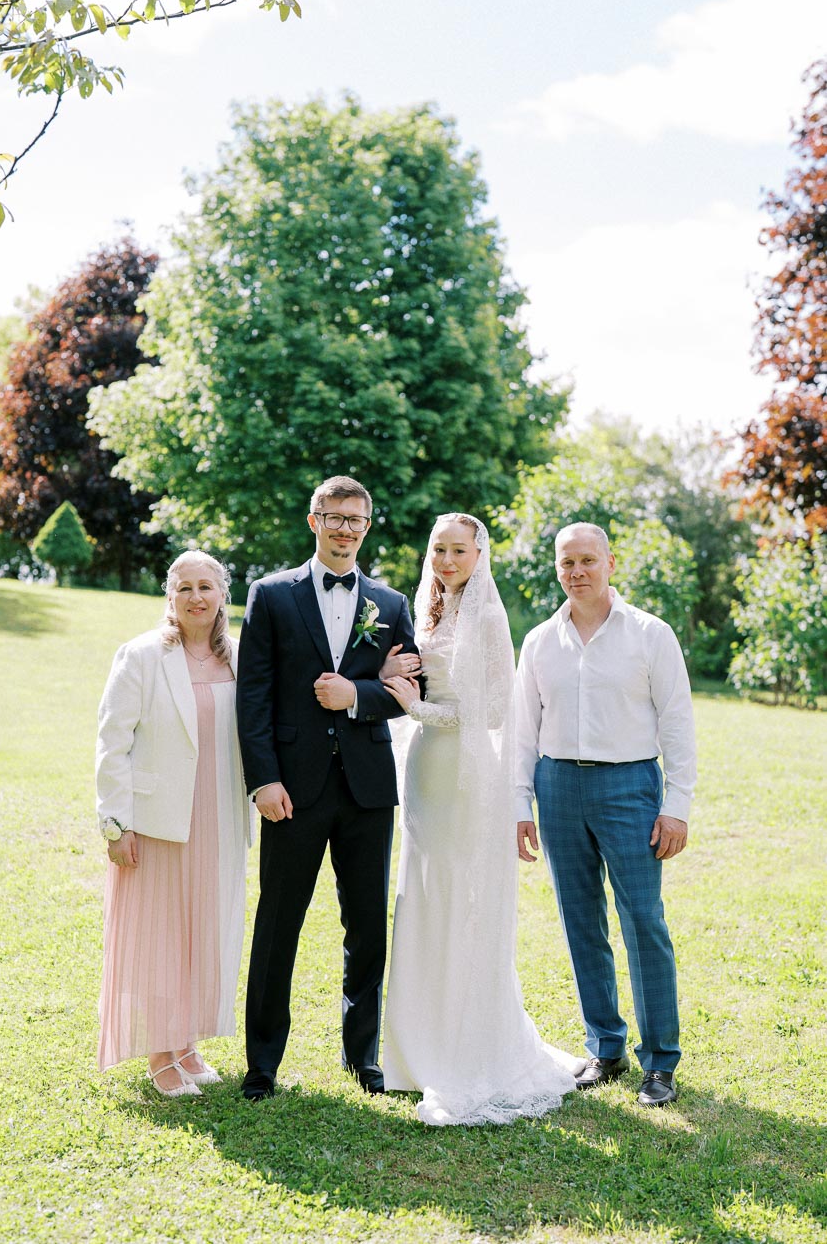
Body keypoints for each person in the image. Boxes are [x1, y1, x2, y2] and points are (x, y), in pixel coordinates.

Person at [380, 513, 583, 1126]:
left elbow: (494, 710)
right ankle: (418, 1049)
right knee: (423, 894)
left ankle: (469, 1048)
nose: (445, 561)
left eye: (457, 551)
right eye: (438, 549)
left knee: (461, 898)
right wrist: (395, 681)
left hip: (467, 775)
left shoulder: (490, 617)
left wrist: (421, 710)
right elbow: (415, 678)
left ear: (478, 554)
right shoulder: (428, 610)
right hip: (424, 773)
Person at [236, 476, 419, 1101]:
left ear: (367, 527)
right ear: (313, 520)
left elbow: (407, 694)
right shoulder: (271, 595)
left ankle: (362, 1055)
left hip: (367, 790)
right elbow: (252, 697)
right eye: (334, 516)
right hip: (293, 789)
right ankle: (262, 1063)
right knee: (278, 922)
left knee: (367, 926)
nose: (345, 528)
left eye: (356, 519)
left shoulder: (391, 605)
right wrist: (262, 778)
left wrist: (358, 696)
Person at [514, 522, 696, 1107]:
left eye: (588, 560)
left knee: (644, 920)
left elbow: (678, 724)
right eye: (567, 563)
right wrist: (522, 804)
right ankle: (605, 1046)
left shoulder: (651, 634)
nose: (578, 572)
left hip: (630, 786)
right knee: (580, 920)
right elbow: (524, 731)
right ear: (557, 569)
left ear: (610, 563)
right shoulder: (540, 641)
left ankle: (660, 1061)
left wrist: (677, 806)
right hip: (558, 784)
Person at [96, 550, 251, 1096]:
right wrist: (117, 825)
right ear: (170, 596)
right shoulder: (141, 656)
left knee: (203, 930)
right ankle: (160, 1054)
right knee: (161, 934)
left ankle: (185, 1042)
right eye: (184, 587)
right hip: (159, 820)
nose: (196, 598)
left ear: (222, 594)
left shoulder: (238, 656)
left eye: (206, 586)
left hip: (221, 813)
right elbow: (113, 742)